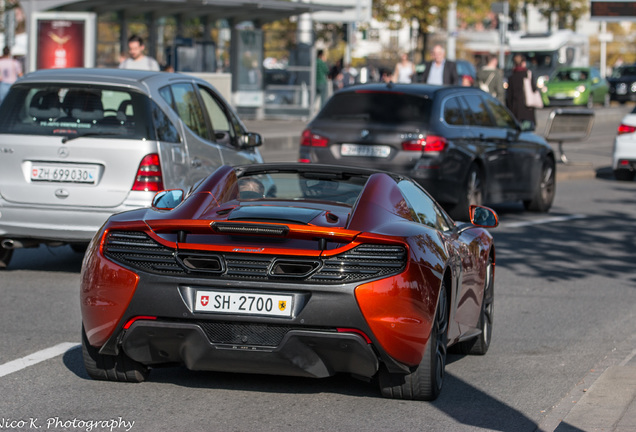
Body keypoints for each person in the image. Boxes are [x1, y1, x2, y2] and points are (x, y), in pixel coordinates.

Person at [506, 54, 536, 130]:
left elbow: (509, 97)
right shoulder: (528, 75)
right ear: (523, 63)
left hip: (516, 111)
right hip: (527, 109)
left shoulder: (511, 78)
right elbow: (534, 90)